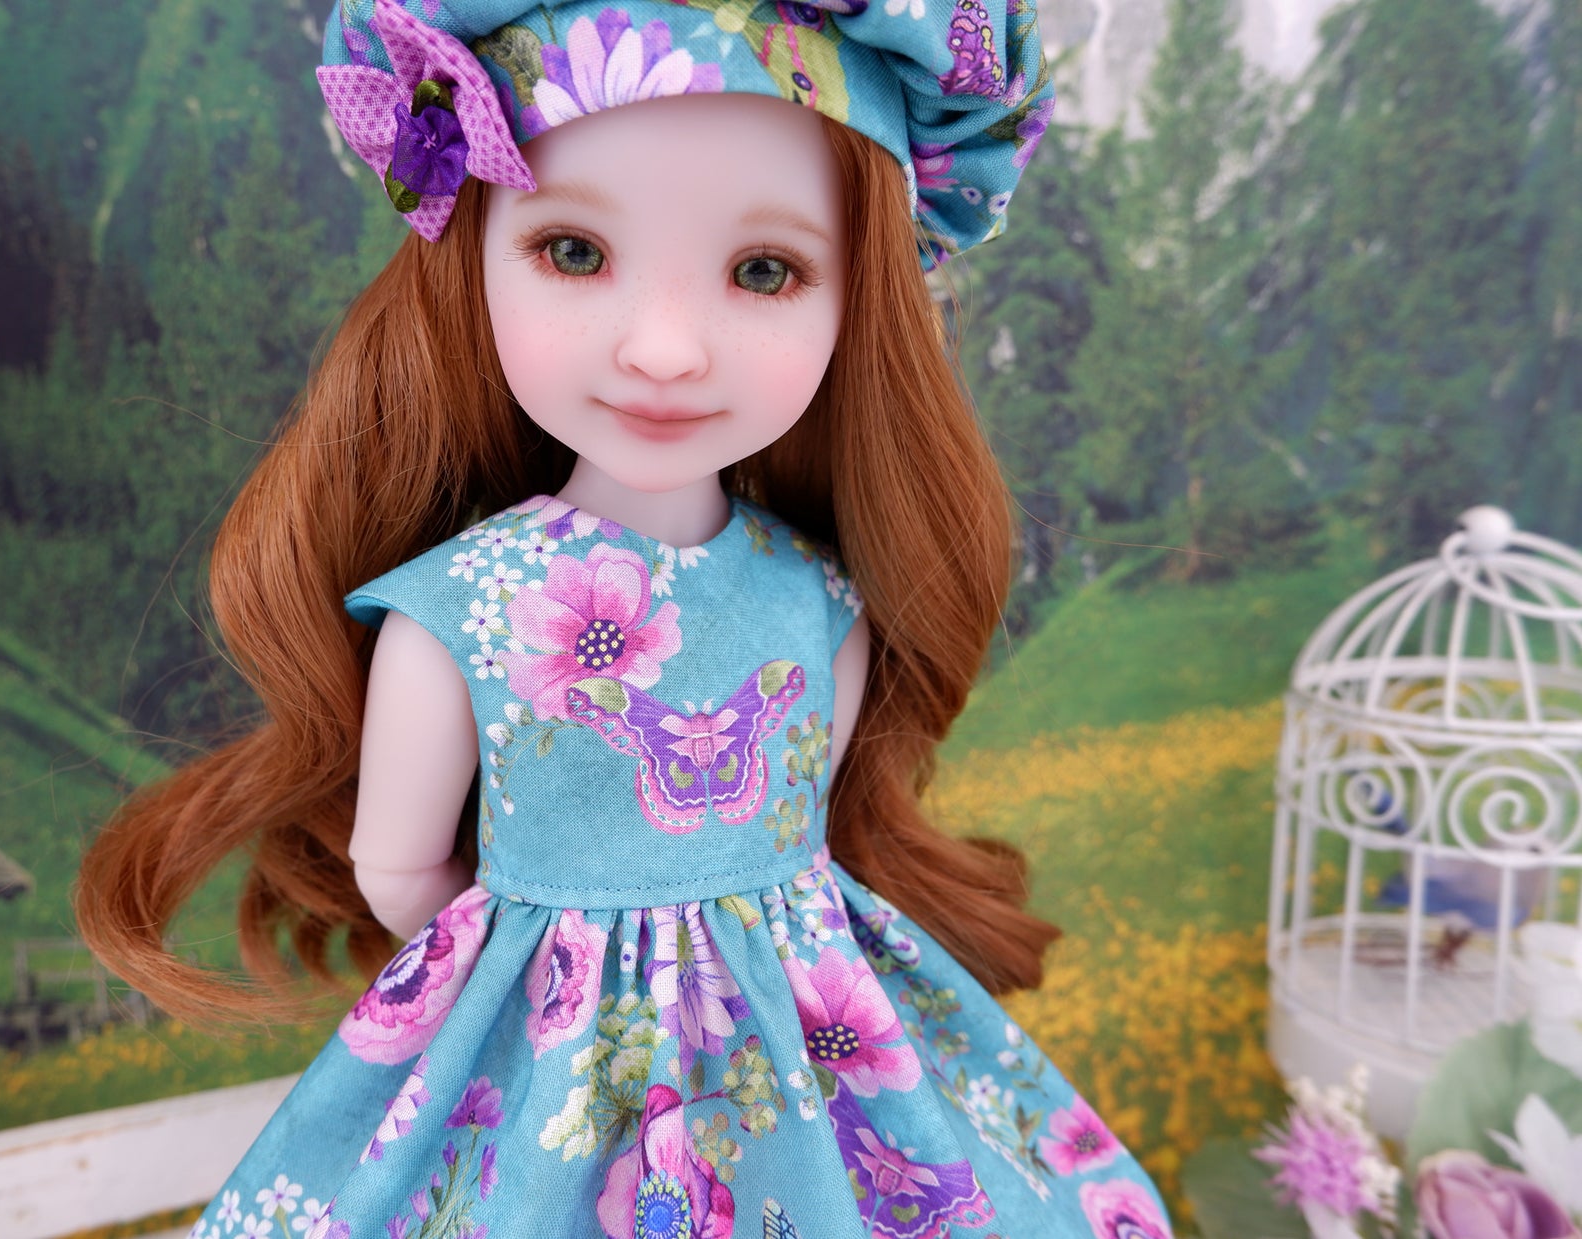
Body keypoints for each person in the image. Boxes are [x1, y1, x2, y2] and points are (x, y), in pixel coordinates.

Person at [77, 0, 1172, 1235]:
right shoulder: (467, 609)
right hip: (585, 1064)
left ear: (857, 302)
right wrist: (533, 974)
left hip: (787, 1061)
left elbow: (420, 872)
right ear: (471, 254)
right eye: (573, 252)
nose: (663, 350)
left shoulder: (820, 598)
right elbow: (397, 867)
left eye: (765, 272)